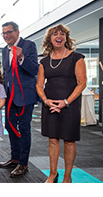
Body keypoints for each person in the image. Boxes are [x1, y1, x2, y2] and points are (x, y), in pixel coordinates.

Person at [36, 24, 87, 183]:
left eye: (62, 34)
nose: (59, 36)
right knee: (52, 139)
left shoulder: (76, 57)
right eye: (55, 34)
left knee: (69, 140)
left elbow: (82, 83)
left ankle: (67, 176)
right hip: (50, 105)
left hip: (69, 105)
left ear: (66, 38)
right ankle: (52, 174)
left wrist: (66, 102)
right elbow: (39, 85)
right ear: (49, 39)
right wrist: (46, 101)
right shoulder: (44, 61)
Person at [0, 21, 39, 178]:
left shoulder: (28, 45)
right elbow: (7, 73)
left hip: (25, 96)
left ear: (17, 31)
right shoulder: (4, 50)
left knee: (24, 129)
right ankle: (15, 158)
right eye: (4, 33)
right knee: (9, 126)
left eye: (9, 32)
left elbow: (34, 69)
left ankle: (23, 163)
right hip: (9, 96)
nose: (6, 36)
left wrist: (21, 57)